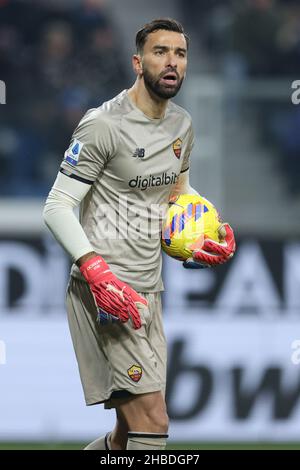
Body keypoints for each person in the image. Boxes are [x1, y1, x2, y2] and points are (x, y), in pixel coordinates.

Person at [43, 18, 235, 451]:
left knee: (129, 433)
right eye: (160, 52)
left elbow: (178, 192)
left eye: (180, 54)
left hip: (150, 290)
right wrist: (96, 272)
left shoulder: (182, 126)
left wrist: (211, 226)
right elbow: (56, 207)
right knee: (154, 420)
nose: (172, 62)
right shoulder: (103, 125)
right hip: (106, 291)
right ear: (137, 62)